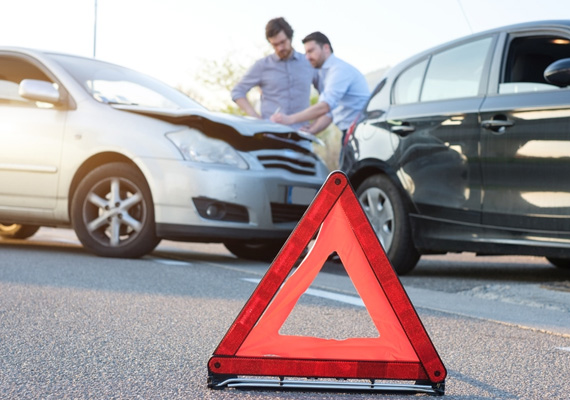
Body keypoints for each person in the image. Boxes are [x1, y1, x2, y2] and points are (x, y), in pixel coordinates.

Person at [271, 31, 370, 139]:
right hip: (351, 132)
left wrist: (289, 119)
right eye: (306, 53)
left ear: (326, 48)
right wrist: (312, 129)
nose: (307, 57)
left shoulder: (339, 70)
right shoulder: (326, 73)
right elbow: (331, 112)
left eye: (311, 51)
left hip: (361, 132)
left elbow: (324, 107)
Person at [231, 17, 316, 130]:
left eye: (282, 42)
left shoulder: (309, 62)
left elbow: (327, 98)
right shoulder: (262, 65)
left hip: (302, 136)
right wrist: (257, 119)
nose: (280, 48)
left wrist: (315, 127)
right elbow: (237, 91)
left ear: (290, 38)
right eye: (275, 44)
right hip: (271, 134)